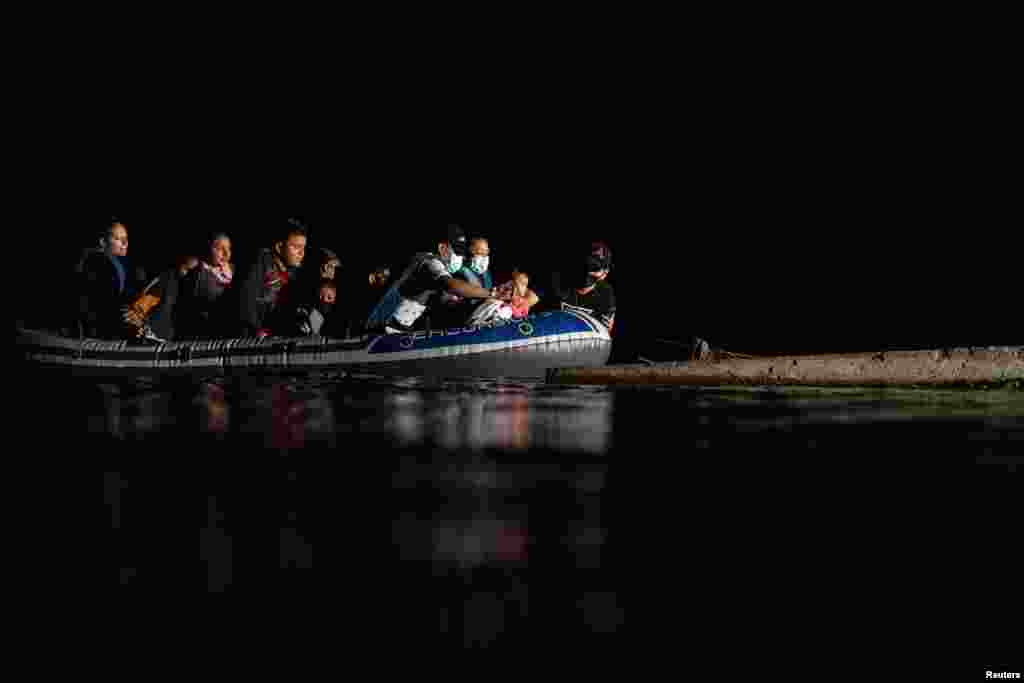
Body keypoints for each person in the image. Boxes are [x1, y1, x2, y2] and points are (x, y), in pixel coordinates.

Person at [365, 224, 498, 334]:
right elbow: (452, 286)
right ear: (442, 248)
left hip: (398, 330)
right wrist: (491, 293)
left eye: (462, 252)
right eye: (456, 251)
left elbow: (445, 300)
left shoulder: (441, 270)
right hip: (378, 331)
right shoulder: (429, 262)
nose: (460, 257)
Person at [74, 218, 147, 339]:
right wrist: (128, 319)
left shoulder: (121, 264)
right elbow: (100, 305)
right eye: (118, 239)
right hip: (97, 335)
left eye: (126, 238)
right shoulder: (95, 262)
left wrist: (135, 314)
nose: (125, 243)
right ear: (103, 242)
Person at [235, 220, 307, 337]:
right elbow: (246, 299)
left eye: (303, 248)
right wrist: (256, 329)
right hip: (249, 337)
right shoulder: (260, 261)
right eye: (296, 247)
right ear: (279, 247)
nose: (301, 253)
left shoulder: (293, 272)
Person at [175, 232, 235, 339]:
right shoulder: (198, 270)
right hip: (205, 331)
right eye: (219, 248)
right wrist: (185, 268)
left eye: (228, 248)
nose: (226, 253)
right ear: (207, 248)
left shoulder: (234, 270)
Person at [555, 241, 616, 332]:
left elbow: (605, 332)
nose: (588, 272)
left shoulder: (606, 294)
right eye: (584, 265)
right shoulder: (558, 280)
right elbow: (529, 299)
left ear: (605, 273)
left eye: (594, 267)